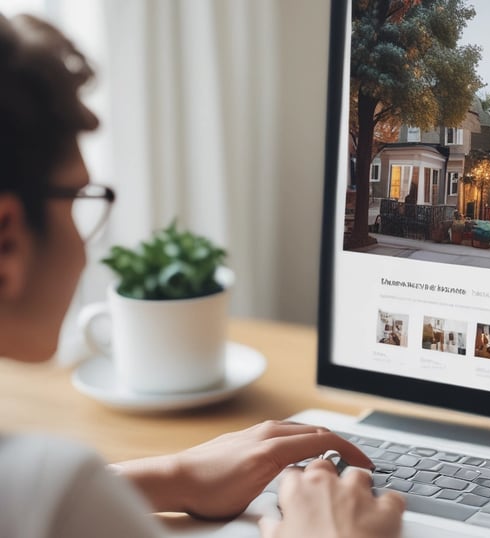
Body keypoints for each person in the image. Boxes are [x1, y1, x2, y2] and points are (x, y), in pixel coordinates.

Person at [0, 13, 405, 538]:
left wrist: (172, 474)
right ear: (7, 237)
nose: (82, 248)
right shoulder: (47, 494)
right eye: (77, 200)